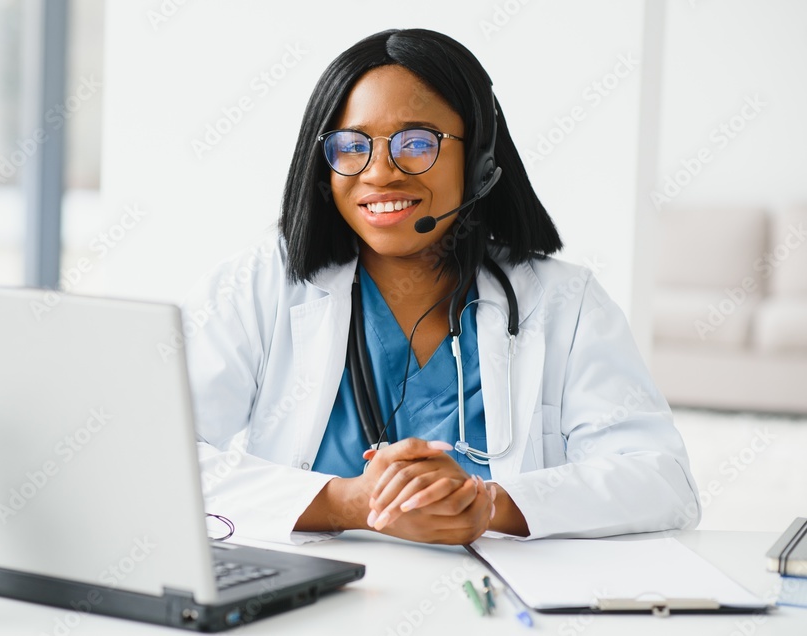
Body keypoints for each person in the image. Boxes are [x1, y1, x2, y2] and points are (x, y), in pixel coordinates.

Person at [183, 28, 700, 546]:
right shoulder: (258, 288)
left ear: (478, 161)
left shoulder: (567, 302)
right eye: (351, 146)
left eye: (416, 143)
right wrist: (350, 504)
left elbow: (662, 480)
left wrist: (489, 505)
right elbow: (158, 458)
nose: (380, 173)